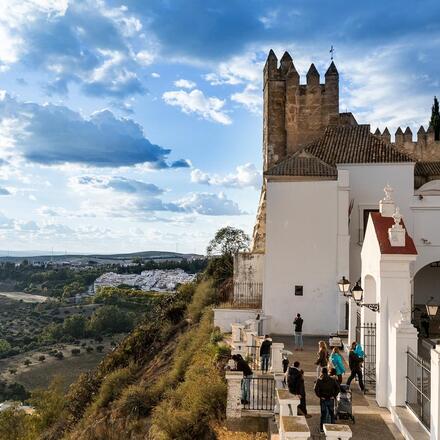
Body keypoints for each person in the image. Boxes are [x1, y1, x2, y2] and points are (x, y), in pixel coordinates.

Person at [314, 367, 340, 433]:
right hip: (330, 399)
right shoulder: (332, 380)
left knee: (323, 414)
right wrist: (333, 395)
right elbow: (338, 389)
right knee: (331, 414)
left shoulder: (319, 380)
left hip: (323, 399)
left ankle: (322, 429)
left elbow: (315, 389)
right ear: (327, 372)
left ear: (322, 372)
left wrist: (320, 396)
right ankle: (333, 428)